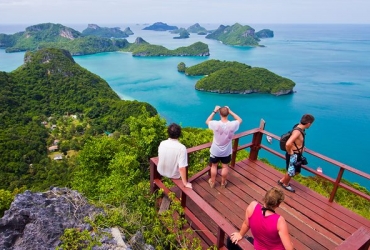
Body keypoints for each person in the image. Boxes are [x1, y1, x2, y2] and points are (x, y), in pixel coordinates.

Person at [229, 187, 294, 250]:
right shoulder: (279, 221)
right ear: (278, 204)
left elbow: (246, 224)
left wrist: (240, 234)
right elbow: (289, 248)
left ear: (265, 198)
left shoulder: (252, 206)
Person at [206, 105, 242, 188]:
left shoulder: (216, 124)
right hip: (226, 151)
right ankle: (223, 183)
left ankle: (212, 182)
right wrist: (230, 111)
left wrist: (214, 111)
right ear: (228, 114)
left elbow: (207, 121)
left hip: (215, 151)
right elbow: (240, 120)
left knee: (214, 166)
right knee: (225, 167)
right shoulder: (232, 125)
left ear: (220, 114)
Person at [278, 114, 315, 192]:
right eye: (311, 124)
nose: (311, 125)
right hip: (294, 155)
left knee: (295, 171)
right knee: (291, 171)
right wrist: (291, 153)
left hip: (296, 154)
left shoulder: (299, 127)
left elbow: (296, 142)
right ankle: (285, 184)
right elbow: (288, 143)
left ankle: (282, 181)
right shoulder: (297, 131)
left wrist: (301, 147)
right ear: (308, 123)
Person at [157, 123, 192, 189]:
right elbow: (182, 168)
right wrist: (185, 183)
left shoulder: (162, 143)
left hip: (160, 170)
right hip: (173, 174)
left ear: (168, 133)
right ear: (179, 134)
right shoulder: (181, 148)